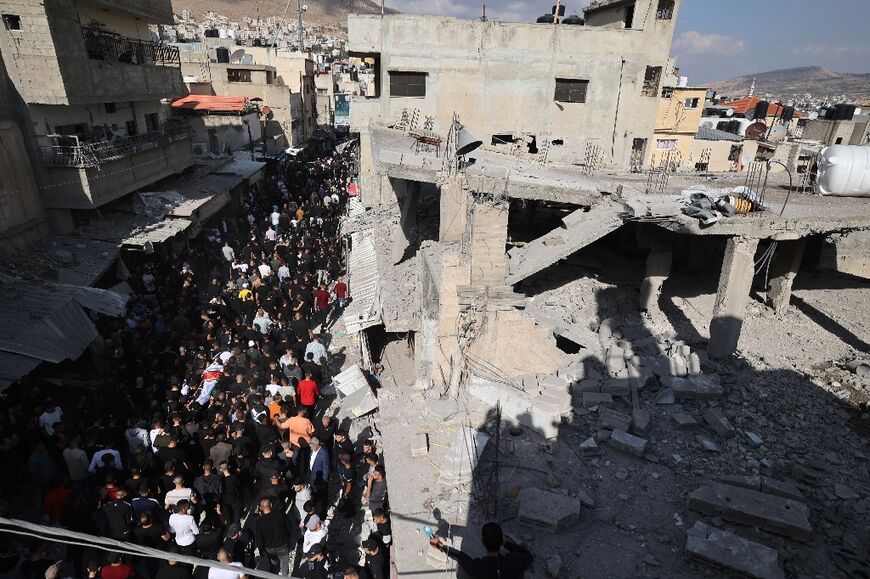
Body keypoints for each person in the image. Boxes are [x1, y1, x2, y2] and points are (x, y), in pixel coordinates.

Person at [428, 522, 533, 579]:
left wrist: (440, 545)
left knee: (462, 571)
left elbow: (461, 557)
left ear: (482, 541)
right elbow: (528, 555)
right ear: (501, 540)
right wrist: (506, 543)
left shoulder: (479, 567)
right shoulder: (516, 561)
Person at [254, 498, 292, 576]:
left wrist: (261, 549)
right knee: (284, 561)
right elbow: (289, 528)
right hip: (282, 545)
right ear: (271, 505)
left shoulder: (260, 522)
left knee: (273, 562)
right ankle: (284, 576)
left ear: (261, 508)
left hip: (269, 548)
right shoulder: (281, 514)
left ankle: (273, 574)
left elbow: (259, 538)